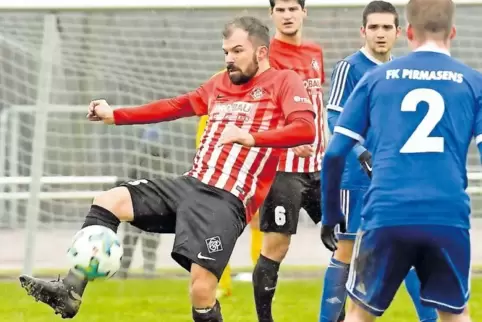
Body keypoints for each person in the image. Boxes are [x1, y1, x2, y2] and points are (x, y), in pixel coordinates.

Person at [19, 16, 316, 322]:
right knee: (109, 201)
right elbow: (175, 106)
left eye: (237, 51)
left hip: (226, 201)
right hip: (190, 185)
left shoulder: (284, 82)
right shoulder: (219, 85)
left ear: (261, 53)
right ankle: (70, 291)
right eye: (225, 52)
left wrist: (251, 138)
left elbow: (306, 129)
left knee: (201, 290)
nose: (229, 59)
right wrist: (115, 115)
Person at [321, 0, 479, 321]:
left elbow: (335, 151)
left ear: (405, 31)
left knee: (359, 313)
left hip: (387, 208)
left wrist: (329, 213)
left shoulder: (379, 78)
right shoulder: (473, 81)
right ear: (453, 32)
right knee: (455, 313)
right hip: (446, 213)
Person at [253, 1, 326, 321]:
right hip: (284, 170)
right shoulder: (265, 58)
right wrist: (289, 136)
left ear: (304, 12)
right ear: (272, 15)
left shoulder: (315, 52)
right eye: (280, 9)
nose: (287, 15)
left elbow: (317, 105)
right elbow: (258, 110)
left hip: (323, 168)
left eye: (293, 8)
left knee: (351, 240)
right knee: (276, 247)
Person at [196, 114, 263, 298]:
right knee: (217, 229)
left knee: (257, 222)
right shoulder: (208, 115)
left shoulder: (251, 110)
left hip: (248, 172)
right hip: (219, 178)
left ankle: (263, 279)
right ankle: (222, 284)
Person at [118, 125, 165, 279]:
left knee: (131, 242)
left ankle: (123, 272)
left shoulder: (138, 157)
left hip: (139, 208)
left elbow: (123, 179)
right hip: (153, 209)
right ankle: (147, 273)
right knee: (146, 243)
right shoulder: (164, 159)